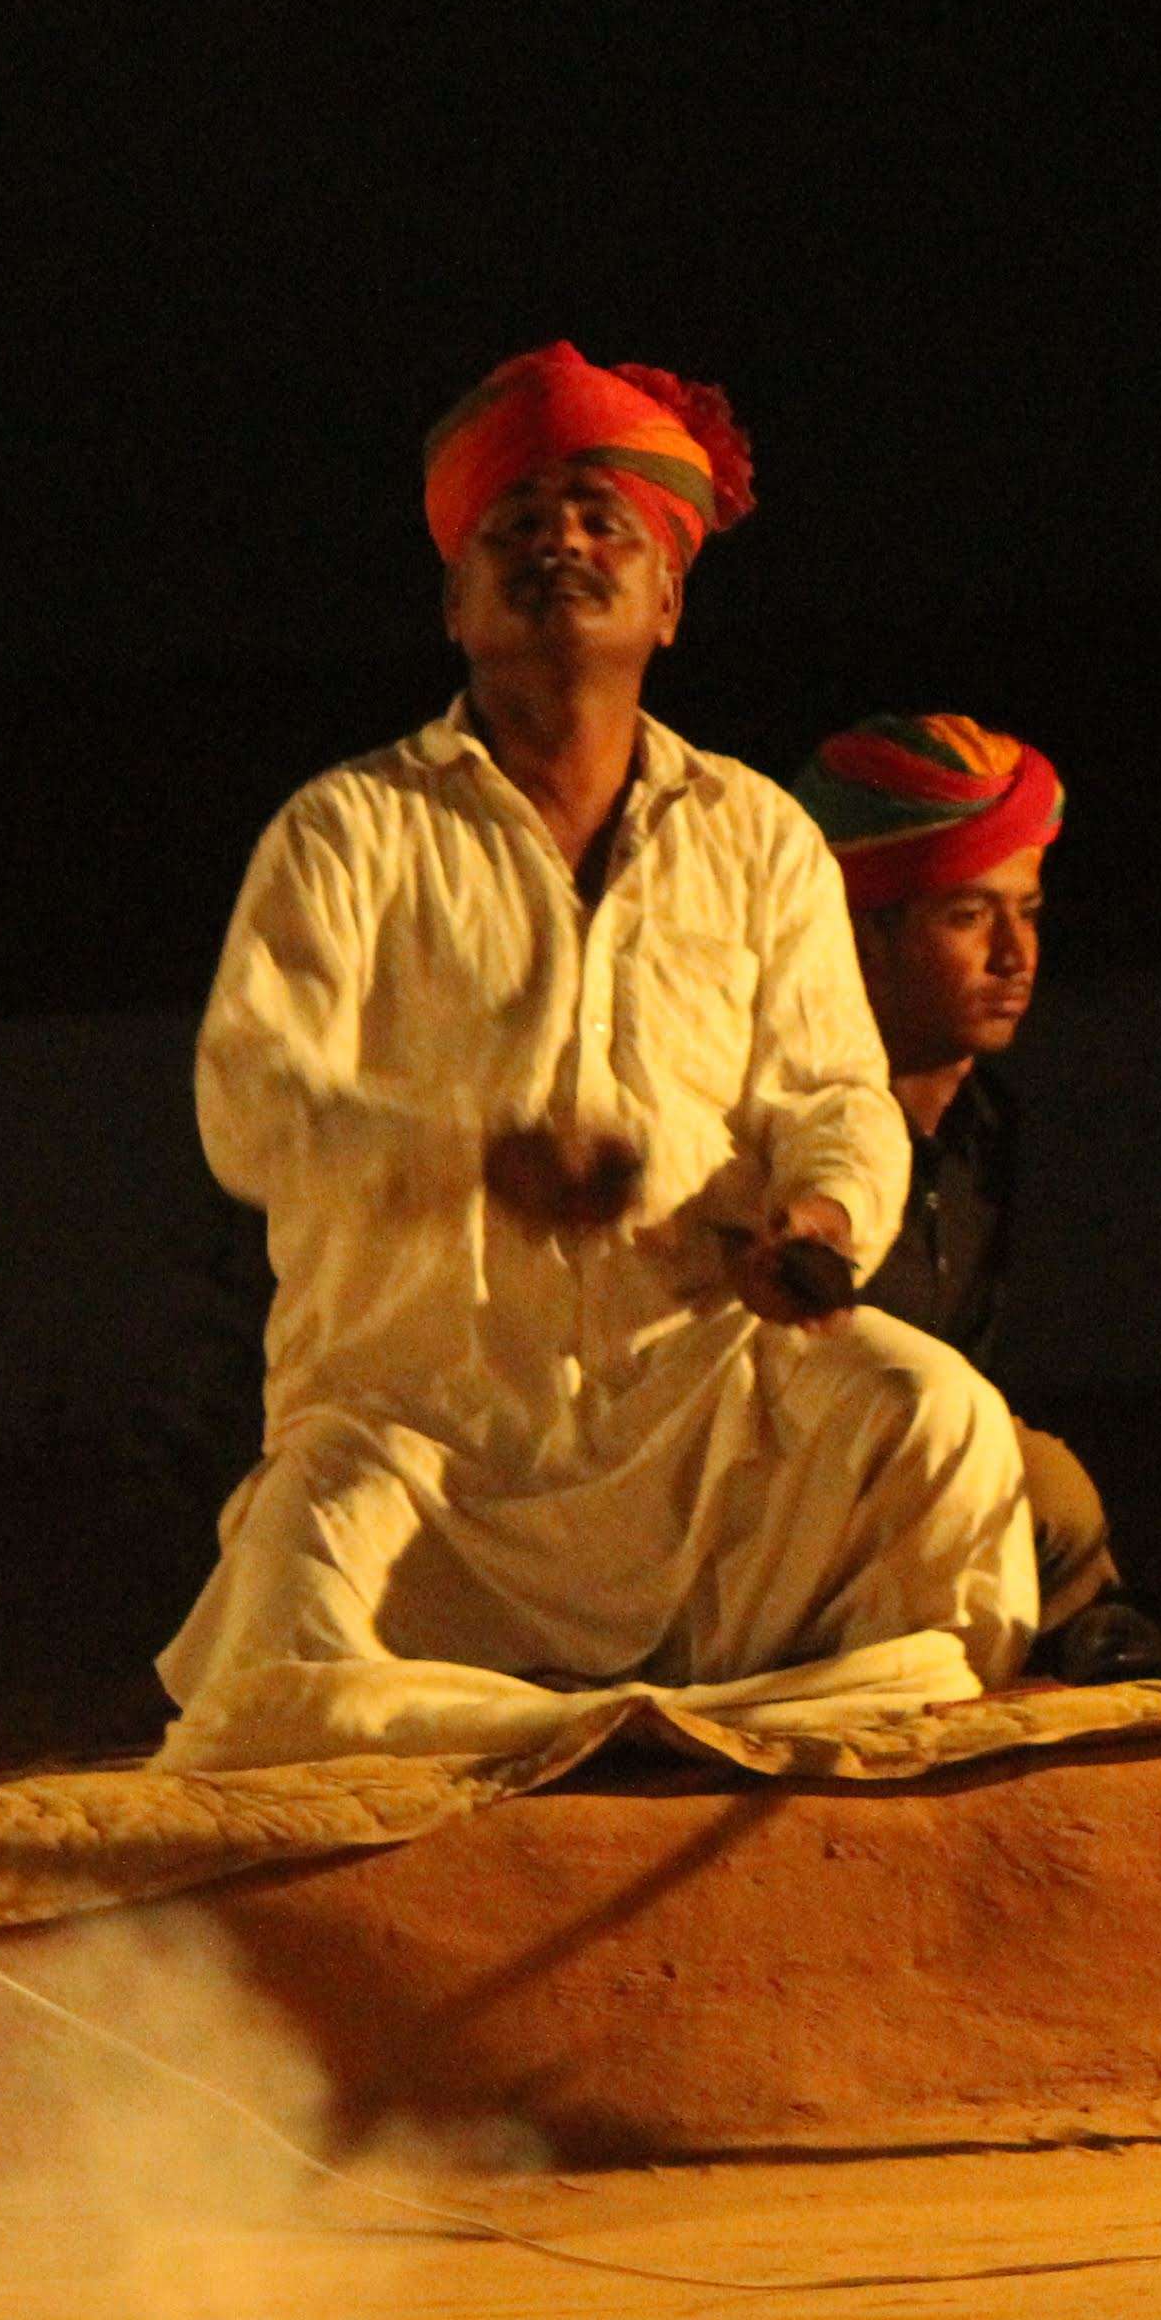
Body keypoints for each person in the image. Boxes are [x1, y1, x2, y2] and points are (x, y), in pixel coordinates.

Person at [156, 344, 1037, 1768]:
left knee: (941, 1425)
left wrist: (821, 1219)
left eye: (601, 523)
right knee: (288, 1642)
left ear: (671, 600)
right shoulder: (346, 831)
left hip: (700, 1413)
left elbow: (832, 1097)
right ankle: (687, 1731)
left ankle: (748, 1770)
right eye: (516, 527)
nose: (561, 543)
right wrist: (472, 1155)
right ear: (454, 602)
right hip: (421, 1433)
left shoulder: (757, 838)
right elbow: (249, 1104)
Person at [787, 709, 1136, 1641]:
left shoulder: (994, 1132)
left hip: (930, 1518)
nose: (1015, 956)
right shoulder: (783, 1135)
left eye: (1027, 911)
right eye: (969, 913)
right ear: (860, 935)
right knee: (1048, 1491)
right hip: (785, 1527)